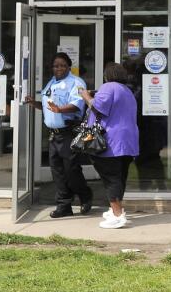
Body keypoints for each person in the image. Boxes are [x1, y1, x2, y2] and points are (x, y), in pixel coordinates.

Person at [24, 52, 92, 218]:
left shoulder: (76, 82)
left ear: (69, 66)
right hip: (53, 136)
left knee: (71, 170)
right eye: (56, 65)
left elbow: (77, 105)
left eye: (62, 65)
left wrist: (60, 109)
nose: (59, 68)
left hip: (69, 132)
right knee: (58, 172)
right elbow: (49, 106)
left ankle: (85, 196)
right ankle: (64, 205)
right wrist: (34, 103)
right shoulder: (51, 83)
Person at [77, 62, 139, 228]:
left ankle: (118, 215)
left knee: (110, 177)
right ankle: (116, 210)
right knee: (119, 176)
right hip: (127, 141)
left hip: (110, 141)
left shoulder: (108, 87)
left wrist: (85, 95)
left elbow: (98, 107)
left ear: (107, 75)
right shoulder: (127, 91)